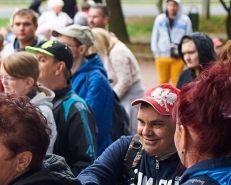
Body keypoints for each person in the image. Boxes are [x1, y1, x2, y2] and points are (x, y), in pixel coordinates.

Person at [27, 39, 96, 175]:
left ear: (59, 67)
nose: (35, 65)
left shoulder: (76, 107)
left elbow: (86, 162)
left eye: (42, 60)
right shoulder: (34, 99)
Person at [53, 25, 113, 157]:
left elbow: (92, 127)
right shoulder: (65, 74)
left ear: (82, 49)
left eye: (65, 45)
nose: (58, 49)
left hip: (93, 157)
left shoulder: (96, 80)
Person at [90, 27, 144, 134]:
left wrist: (111, 98)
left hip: (131, 95)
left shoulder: (118, 54)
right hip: (125, 95)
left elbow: (125, 81)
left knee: (131, 127)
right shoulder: (112, 49)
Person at [0, 52, 58, 150]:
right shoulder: (8, 103)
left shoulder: (42, 112)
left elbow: (42, 153)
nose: (3, 82)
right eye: (1, 76)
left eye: (9, 78)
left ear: (28, 82)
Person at [150, 0, 192, 85]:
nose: (172, 8)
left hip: (178, 56)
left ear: (178, 6)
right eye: (170, 5)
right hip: (162, 56)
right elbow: (155, 37)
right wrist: (156, 53)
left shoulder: (185, 21)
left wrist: (184, 54)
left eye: (174, 5)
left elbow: (189, 38)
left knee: (176, 82)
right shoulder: (160, 19)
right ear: (166, 6)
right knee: (162, 82)